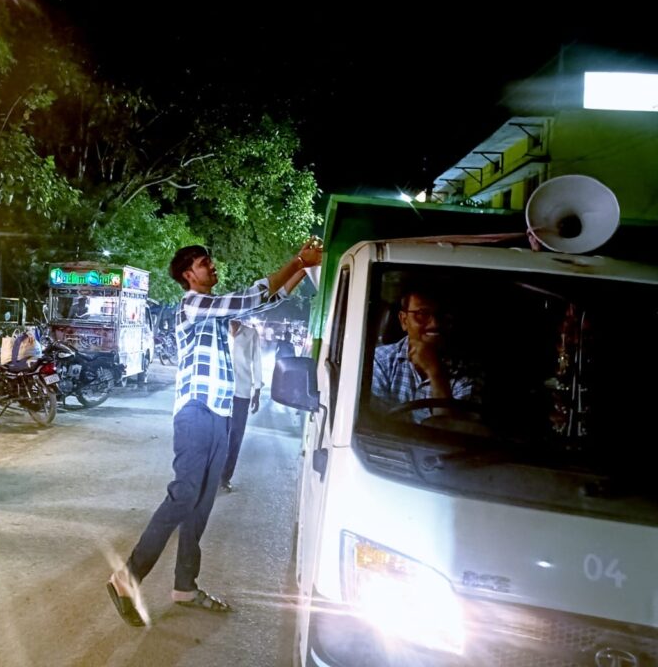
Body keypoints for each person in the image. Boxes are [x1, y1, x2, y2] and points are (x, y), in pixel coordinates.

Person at [106, 238, 323, 627]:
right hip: (196, 412)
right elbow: (249, 297)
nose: (212, 266)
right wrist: (296, 261)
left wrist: (303, 269)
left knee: (201, 505)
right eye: (205, 263)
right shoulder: (193, 305)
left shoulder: (216, 313)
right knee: (184, 495)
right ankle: (127, 576)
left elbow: (265, 301)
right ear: (189, 275)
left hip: (220, 414)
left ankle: (185, 586)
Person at [370, 282, 478, 422]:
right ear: (404, 321)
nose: (435, 324)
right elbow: (375, 422)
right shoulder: (380, 360)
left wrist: (435, 374)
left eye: (442, 315)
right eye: (422, 314)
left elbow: (450, 430)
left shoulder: (469, 371)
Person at [219, 319, 263, 492]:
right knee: (216, 434)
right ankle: (209, 475)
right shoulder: (219, 328)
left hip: (241, 392)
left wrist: (257, 390)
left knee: (235, 436)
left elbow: (257, 361)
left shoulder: (250, 334)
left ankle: (225, 477)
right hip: (219, 390)